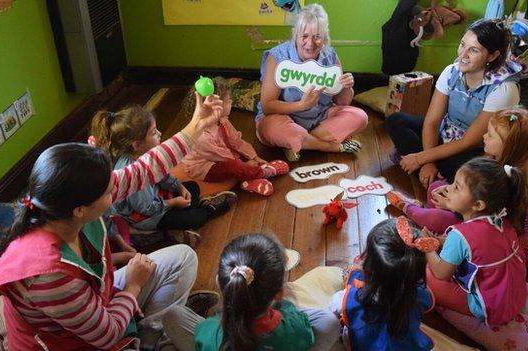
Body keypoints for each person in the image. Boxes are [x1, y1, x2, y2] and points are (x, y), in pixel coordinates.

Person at [0, 94, 224, 350]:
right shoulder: (49, 277)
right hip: (85, 341)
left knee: (184, 257)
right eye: (108, 192)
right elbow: (106, 335)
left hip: (101, 299)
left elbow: (144, 169)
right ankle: (154, 334)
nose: (116, 190)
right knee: (153, 296)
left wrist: (197, 125)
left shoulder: (65, 210)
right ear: (80, 209)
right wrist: (134, 285)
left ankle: (152, 331)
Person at [386, 18, 522, 186]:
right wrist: (428, 162)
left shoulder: (504, 89)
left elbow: (469, 141)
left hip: (475, 149)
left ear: (492, 55)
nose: (463, 55)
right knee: (396, 121)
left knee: (462, 170)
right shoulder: (451, 72)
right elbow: (432, 121)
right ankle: (433, 170)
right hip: (446, 133)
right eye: (462, 44)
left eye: (473, 50)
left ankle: (423, 166)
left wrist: (419, 157)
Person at [162, 233, 341, 351]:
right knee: (329, 322)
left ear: (219, 283)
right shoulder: (294, 328)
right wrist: (283, 307)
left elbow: (203, 330)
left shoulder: (211, 332)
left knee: (173, 315)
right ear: (279, 293)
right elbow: (302, 323)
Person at [89, 103, 238, 242]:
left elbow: (161, 174)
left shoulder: (145, 156)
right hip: (145, 216)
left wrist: (178, 187)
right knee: (195, 218)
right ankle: (207, 209)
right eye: (154, 132)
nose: (160, 134)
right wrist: (173, 202)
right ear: (137, 144)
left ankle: (176, 223)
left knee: (192, 187)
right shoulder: (131, 173)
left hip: (157, 198)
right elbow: (146, 209)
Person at [387, 107, 528, 234]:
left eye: (490, 135)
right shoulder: (490, 158)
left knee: (434, 219)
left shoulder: (505, 178)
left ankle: (409, 207)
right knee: (435, 187)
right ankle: (433, 216)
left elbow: (482, 213)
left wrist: (449, 204)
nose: (484, 136)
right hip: (468, 206)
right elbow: (471, 190)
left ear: (507, 146)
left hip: (478, 222)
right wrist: (449, 191)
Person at [255, 3, 368, 162]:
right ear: (296, 34)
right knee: (270, 127)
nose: (310, 43)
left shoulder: (330, 55)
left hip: (319, 119)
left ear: (325, 37)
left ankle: (298, 143)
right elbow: (267, 106)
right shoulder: (278, 56)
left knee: (360, 117)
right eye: (305, 36)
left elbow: (342, 101)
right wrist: (301, 105)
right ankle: (328, 145)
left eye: (317, 36)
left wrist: (347, 87)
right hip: (284, 118)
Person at [424, 157, 528, 325]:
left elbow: (441, 274)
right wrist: (438, 240)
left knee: (425, 273)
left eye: (456, 187)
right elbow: (475, 246)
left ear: (478, 205)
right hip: (516, 299)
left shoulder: (459, 235)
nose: (448, 189)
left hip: (489, 308)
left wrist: (427, 247)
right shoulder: (504, 222)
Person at [334, 217, 438, 350]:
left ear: (369, 266)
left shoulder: (352, 296)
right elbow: (427, 304)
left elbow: (335, 306)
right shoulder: (420, 294)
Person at [181, 77, 289, 196]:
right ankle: (263, 173)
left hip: (223, 155)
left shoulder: (223, 120)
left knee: (240, 157)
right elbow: (222, 156)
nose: (231, 102)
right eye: (228, 101)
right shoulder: (202, 137)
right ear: (215, 107)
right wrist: (244, 165)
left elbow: (236, 141)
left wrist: (254, 157)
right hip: (205, 167)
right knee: (235, 166)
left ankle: (247, 181)